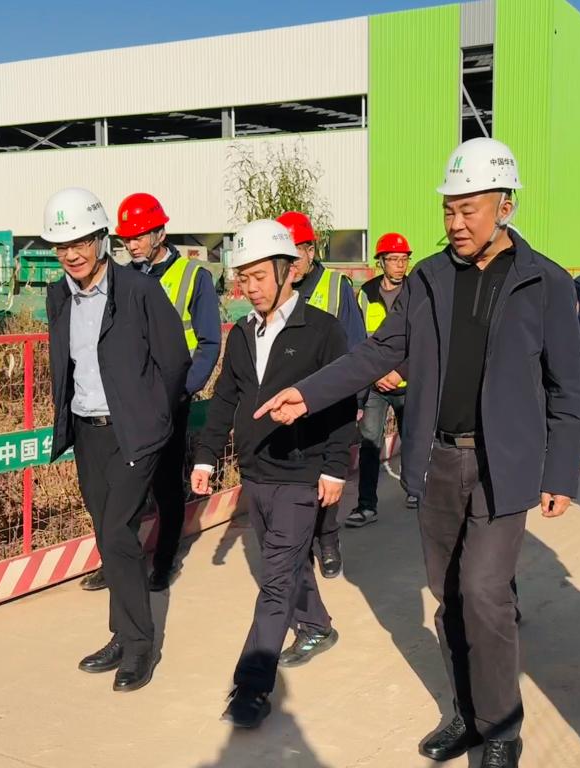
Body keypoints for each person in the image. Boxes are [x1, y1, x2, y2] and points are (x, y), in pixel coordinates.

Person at [256, 137, 580, 768]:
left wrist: (561, 470)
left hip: (503, 464)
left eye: (469, 209)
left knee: (485, 592)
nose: (456, 222)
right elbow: (380, 350)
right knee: (448, 594)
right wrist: (309, 391)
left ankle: (502, 728)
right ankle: (465, 712)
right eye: (449, 210)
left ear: (505, 207)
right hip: (437, 460)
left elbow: (567, 385)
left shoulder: (544, 281)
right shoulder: (431, 278)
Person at [191, 219, 355, 729]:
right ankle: (318, 625)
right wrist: (205, 457)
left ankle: (251, 686)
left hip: (302, 472)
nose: (251, 287)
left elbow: (342, 405)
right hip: (256, 471)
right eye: (243, 277)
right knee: (287, 562)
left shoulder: (323, 330)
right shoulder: (243, 333)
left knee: (275, 581)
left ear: (288, 270)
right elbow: (225, 399)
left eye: (260, 275)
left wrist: (335, 468)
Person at [44, 187, 189, 692]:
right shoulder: (59, 295)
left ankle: (140, 645)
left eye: (81, 241)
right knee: (108, 535)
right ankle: (121, 634)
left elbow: (175, 360)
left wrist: (151, 416)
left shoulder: (138, 291)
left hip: (134, 433)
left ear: (102, 238)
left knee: (118, 532)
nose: (72, 254)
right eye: (62, 246)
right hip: (87, 432)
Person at [78, 192, 221, 593]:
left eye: (139, 236)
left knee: (164, 483)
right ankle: (117, 561)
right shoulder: (119, 278)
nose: (132, 244)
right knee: (118, 488)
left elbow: (209, 342)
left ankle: (164, 559)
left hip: (168, 400)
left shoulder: (193, 277)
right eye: (126, 238)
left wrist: (182, 390)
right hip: (125, 401)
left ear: (161, 233)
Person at [276, 210, 366, 579]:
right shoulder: (275, 288)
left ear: (311, 251)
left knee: (328, 473)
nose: (289, 264)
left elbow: (357, 345)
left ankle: (328, 539)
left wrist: (357, 400)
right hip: (287, 400)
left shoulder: (336, 286)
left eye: (295, 254)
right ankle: (300, 543)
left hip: (329, 398)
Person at [348, 231, 415, 528]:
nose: (400, 265)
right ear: (381, 262)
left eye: (404, 259)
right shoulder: (366, 293)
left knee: (412, 438)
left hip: (408, 382)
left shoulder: (416, 292)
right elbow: (362, 340)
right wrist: (373, 376)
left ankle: (415, 489)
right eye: (394, 259)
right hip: (375, 385)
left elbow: (420, 341)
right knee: (369, 443)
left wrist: (399, 372)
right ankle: (366, 506)